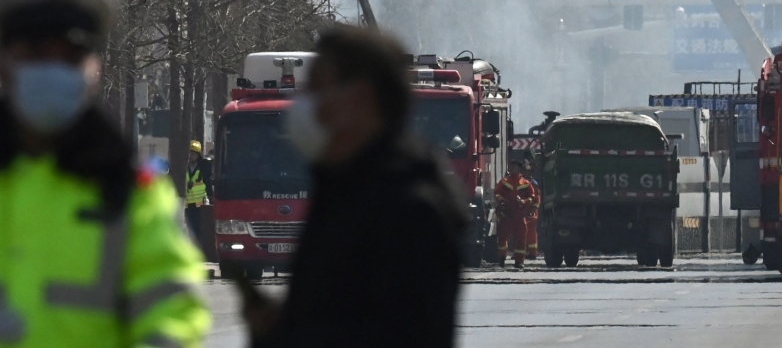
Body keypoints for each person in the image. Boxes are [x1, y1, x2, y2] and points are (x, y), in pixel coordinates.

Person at [0, 0, 210, 346]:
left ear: (95, 72)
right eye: (34, 55)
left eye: (68, 58)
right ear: (2, 67)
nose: (52, 72)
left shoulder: (132, 195)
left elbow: (172, 313)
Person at [244, 25, 468, 348]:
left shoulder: (410, 207)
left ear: (360, 98)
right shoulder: (344, 186)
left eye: (318, 90)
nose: (307, 105)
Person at [495, 159, 535, 268]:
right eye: (510, 165)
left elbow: (532, 197)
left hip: (520, 215)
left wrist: (524, 202)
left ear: (519, 168)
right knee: (502, 237)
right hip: (506, 214)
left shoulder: (526, 183)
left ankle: (519, 261)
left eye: (514, 166)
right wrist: (501, 200)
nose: (511, 168)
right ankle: (502, 258)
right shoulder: (504, 182)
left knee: (521, 239)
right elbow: (497, 193)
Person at [185, 139, 213, 245]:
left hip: (199, 204)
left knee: (197, 229)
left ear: (198, 155)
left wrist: (211, 197)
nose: (191, 156)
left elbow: (208, 182)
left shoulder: (203, 167)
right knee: (188, 229)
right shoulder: (184, 166)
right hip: (186, 203)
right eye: (190, 153)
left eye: (193, 153)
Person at [523, 158, 542, 260]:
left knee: (530, 232)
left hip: (531, 212)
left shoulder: (533, 183)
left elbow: (537, 198)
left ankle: (532, 253)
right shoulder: (520, 182)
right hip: (522, 211)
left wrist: (533, 209)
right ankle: (522, 252)